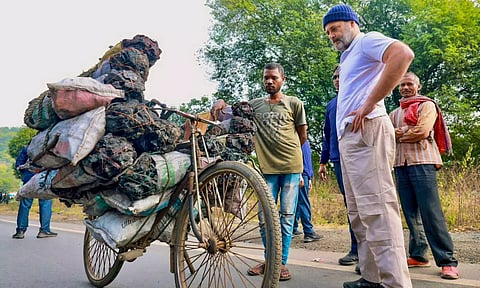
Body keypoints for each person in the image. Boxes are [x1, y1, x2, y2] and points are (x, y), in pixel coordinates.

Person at [323, 4, 414, 288]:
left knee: (378, 209)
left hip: (368, 131)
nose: (332, 36)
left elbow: (402, 54)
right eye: (328, 32)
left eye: (335, 28)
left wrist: (370, 103)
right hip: (351, 138)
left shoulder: (366, 41)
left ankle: (395, 283)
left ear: (352, 23)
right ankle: (373, 277)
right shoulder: (350, 56)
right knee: (360, 212)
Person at [389, 72, 459, 280]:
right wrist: (404, 132)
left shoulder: (426, 106)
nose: (405, 88)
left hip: (423, 162)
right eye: (401, 85)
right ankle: (419, 255)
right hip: (400, 164)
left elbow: (423, 130)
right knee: (410, 213)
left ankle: (447, 261)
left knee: (431, 213)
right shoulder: (393, 113)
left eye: (409, 84)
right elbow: (387, 135)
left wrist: (399, 133)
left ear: (417, 86)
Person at [247, 62, 307, 281]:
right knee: (264, 217)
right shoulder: (253, 106)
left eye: (273, 77)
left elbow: (302, 135)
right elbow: (231, 113)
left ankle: (281, 263)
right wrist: (220, 104)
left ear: (283, 79)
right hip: (266, 169)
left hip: (291, 167)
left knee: (287, 216)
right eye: (266, 78)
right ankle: (269, 259)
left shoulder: (294, 103)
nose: (269, 81)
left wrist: (298, 165)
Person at [318, 66, 358, 267]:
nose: (337, 80)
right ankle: (356, 249)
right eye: (334, 77)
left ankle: (372, 253)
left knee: (364, 203)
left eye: (341, 76)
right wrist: (323, 161)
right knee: (350, 204)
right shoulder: (332, 105)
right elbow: (328, 134)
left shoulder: (358, 97)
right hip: (337, 159)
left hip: (359, 156)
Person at [12, 145, 58, 239]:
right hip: (44, 180)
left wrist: (27, 173)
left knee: (25, 205)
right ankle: (44, 230)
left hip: (29, 180)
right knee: (45, 204)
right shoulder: (51, 148)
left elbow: (18, 164)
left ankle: (20, 231)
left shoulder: (27, 148)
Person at [293, 140, 323, 243]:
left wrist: (310, 177)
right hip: (301, 173)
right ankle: (308, 232)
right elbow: (296, 158)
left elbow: (307, 160)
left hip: (305, 174)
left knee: (297, 202)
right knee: (303, 202)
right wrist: (300, 174)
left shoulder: (305, 141)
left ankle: (293, 227)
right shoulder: (298, 138)